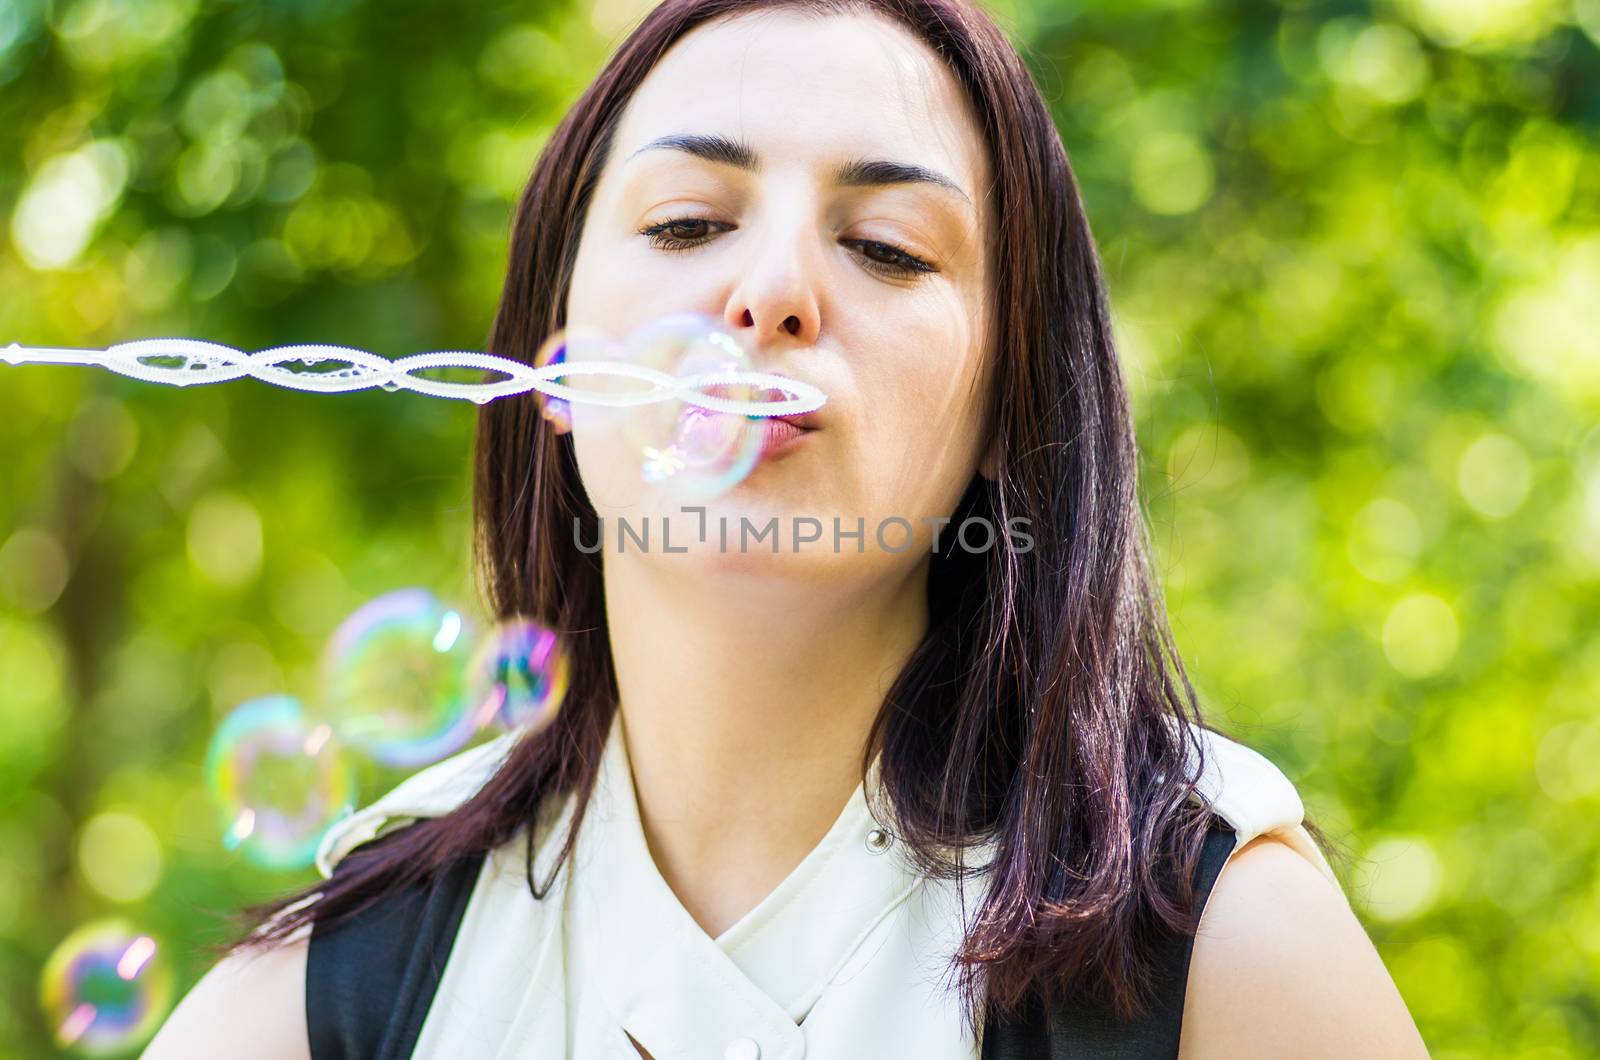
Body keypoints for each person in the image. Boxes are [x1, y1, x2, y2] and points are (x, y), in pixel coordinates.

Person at [145, 0, 1430, 1056]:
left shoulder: (1215, 953)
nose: (767, 294)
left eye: (883, 245)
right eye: (689, 223)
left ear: (1008, 408)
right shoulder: (332, 997)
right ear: (551, 359)